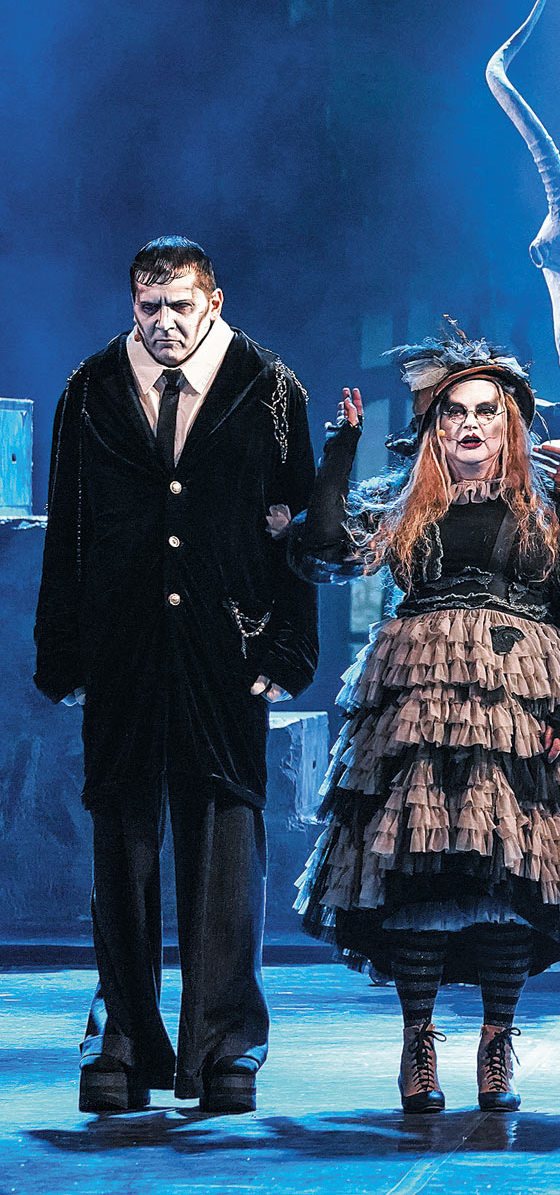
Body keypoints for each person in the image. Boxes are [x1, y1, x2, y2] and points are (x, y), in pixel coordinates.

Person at [35, 236, 318, 1115]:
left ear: (214, 301)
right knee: (121, 837)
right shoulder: (91, 388)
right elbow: (67, 526)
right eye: (148, 307)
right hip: (121, 642)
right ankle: (121, 1036)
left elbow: (300, 532)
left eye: (180, 306)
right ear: (133, 303)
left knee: (225, 836)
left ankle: (225, 1044)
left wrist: (290, 650)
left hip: (226, 642)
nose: (163, 323)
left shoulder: (270, 387)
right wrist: (62, 649)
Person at [291, 332, 560, 1114]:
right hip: (420, 700)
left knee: (510, 871)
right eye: (455, 412)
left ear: (510, 424)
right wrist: (341, 448)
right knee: (420, 873)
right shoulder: (407, 500)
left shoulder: (546, 509)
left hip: (519, 702)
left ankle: (497, 1043)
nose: (470, 425)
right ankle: (418, 1042)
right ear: (436, 426)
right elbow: (324, 545)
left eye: (486, 412)